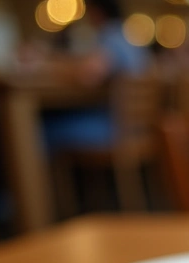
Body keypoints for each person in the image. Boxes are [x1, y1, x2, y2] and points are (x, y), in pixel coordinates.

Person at [41, 0, 150, 151]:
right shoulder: (130, 38)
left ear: (97, 12)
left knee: (43, 129)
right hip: (139, 127)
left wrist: (53, 66)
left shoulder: (111, 37)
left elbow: (88, 74)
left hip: (118, 128)